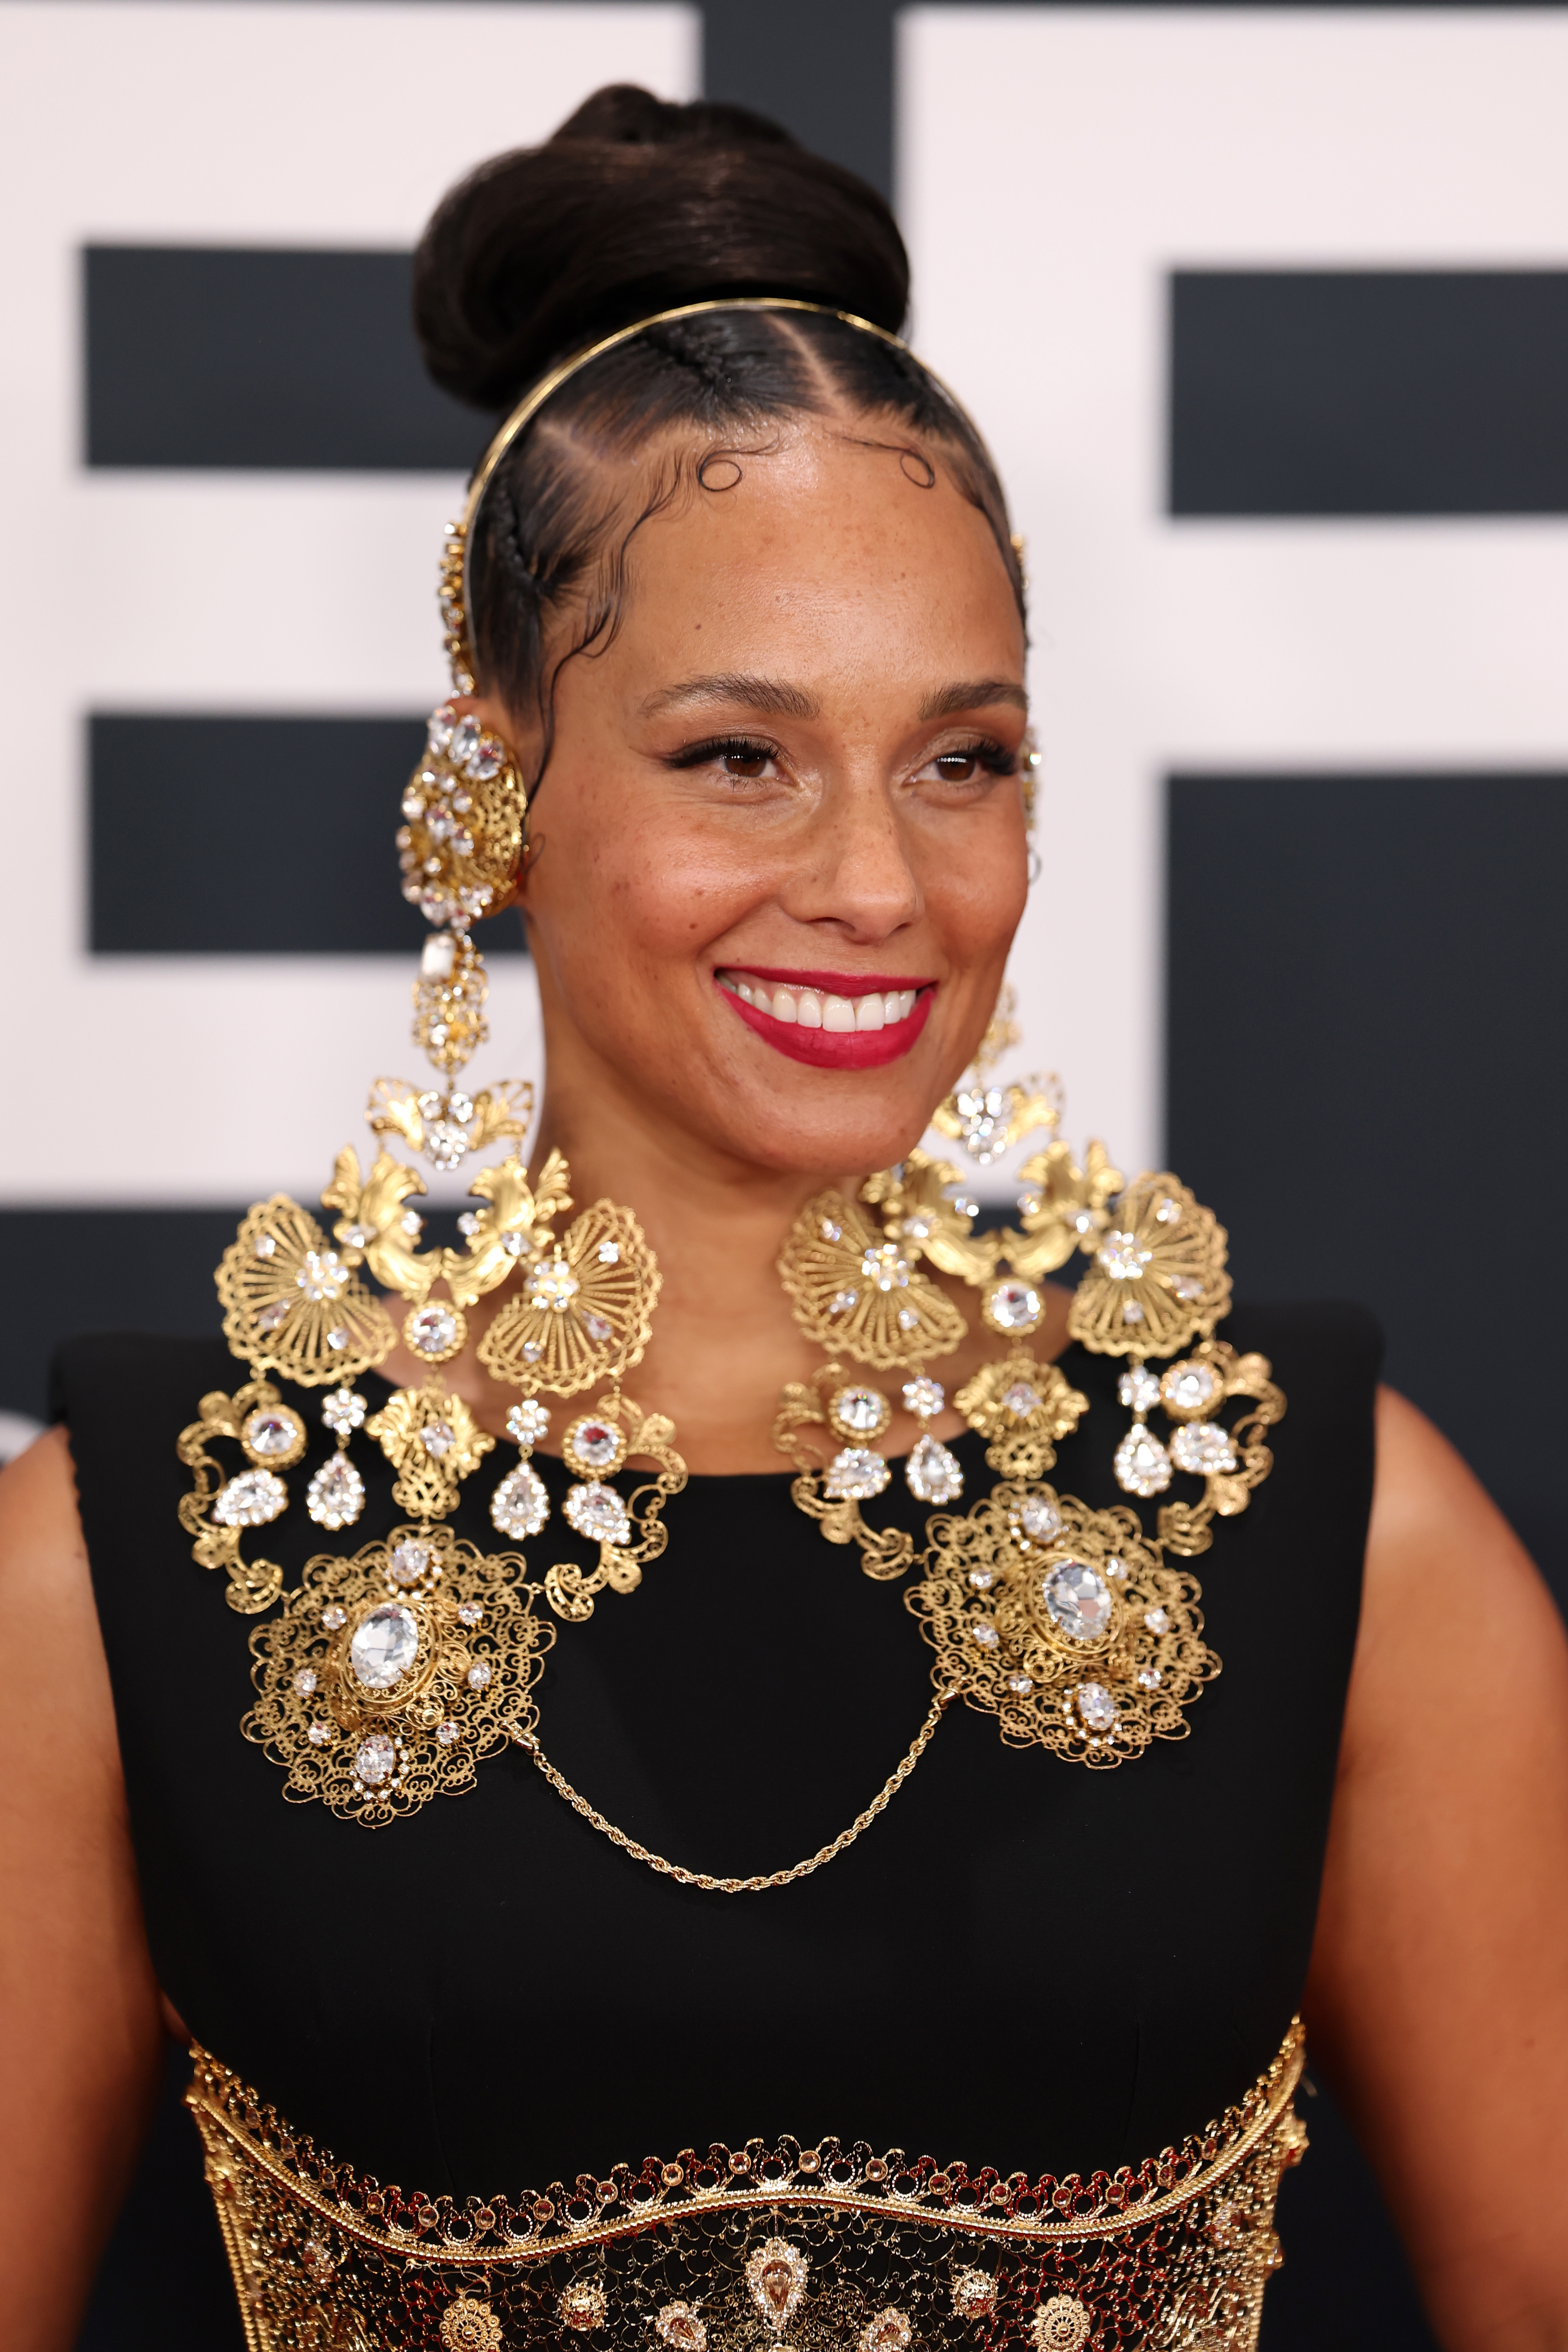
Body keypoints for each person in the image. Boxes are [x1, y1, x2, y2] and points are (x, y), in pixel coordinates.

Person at [2, 85, 1566, 2352]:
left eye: (964, 759)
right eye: (738, 755)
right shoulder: (113, 1578)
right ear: (494, 778)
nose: (875, 882)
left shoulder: (1339, 1532)